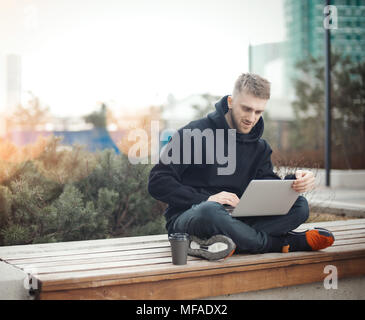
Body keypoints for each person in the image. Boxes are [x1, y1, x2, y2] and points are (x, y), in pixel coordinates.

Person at [148, 73, 334, 260]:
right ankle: (283, 243)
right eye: (246, 109)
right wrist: (208, 198)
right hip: (193, 215)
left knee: (300, 206)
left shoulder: (260, 147)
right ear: (230, 101)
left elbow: (266, 186)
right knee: (211, 211)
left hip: (238, 217)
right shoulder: (194, 133)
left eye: (258, 112)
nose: (251, 118)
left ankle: (223, 242)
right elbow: (158, 181)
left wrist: (293, 183)